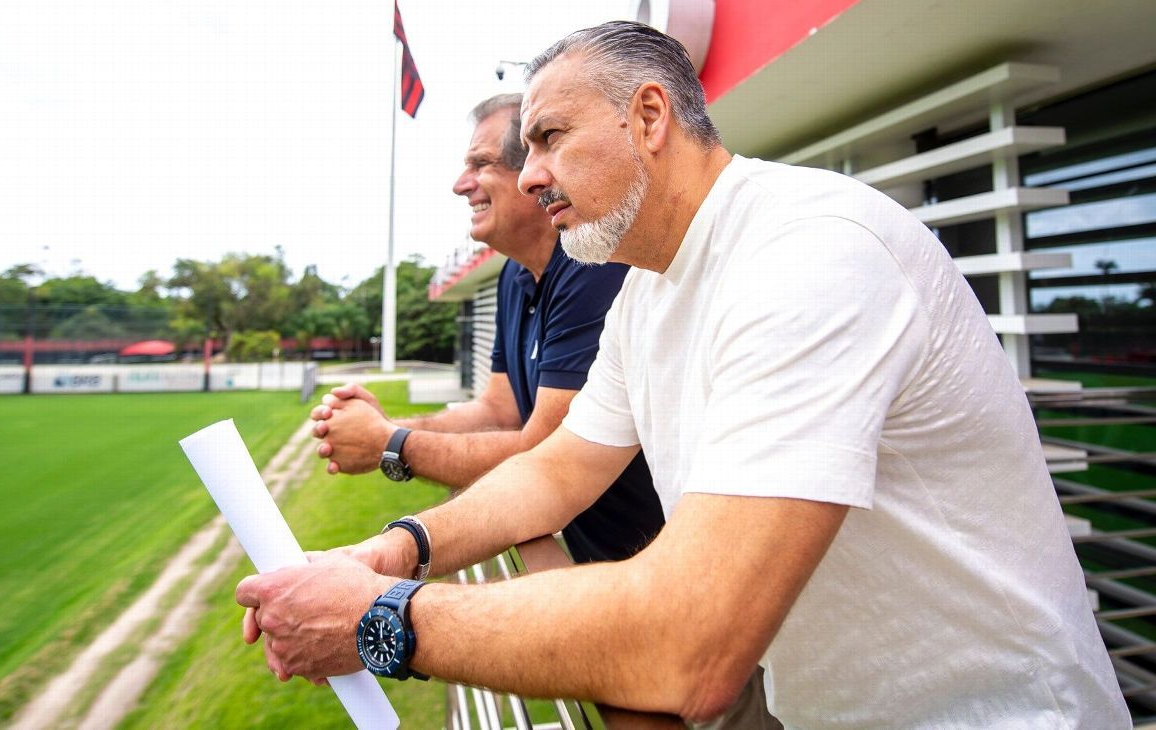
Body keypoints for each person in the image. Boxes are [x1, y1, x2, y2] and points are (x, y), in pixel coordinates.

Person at [236, 21, 1129, 727]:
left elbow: (689, 650)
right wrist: (390, 551)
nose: (530, 174)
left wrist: (380, 618)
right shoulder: (649, 289)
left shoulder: (811, 249)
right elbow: (554, 473)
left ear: (651, 117)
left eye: (547, 137)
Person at [309, 93, 666, 569]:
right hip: (594, 564)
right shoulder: (513, 277)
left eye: (481, 164)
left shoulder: (592, 267)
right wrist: (390, 428)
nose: (461, 185)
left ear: (534, 175)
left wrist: (389, 445)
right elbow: (498, 409)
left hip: (646, 574)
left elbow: (542, 448)